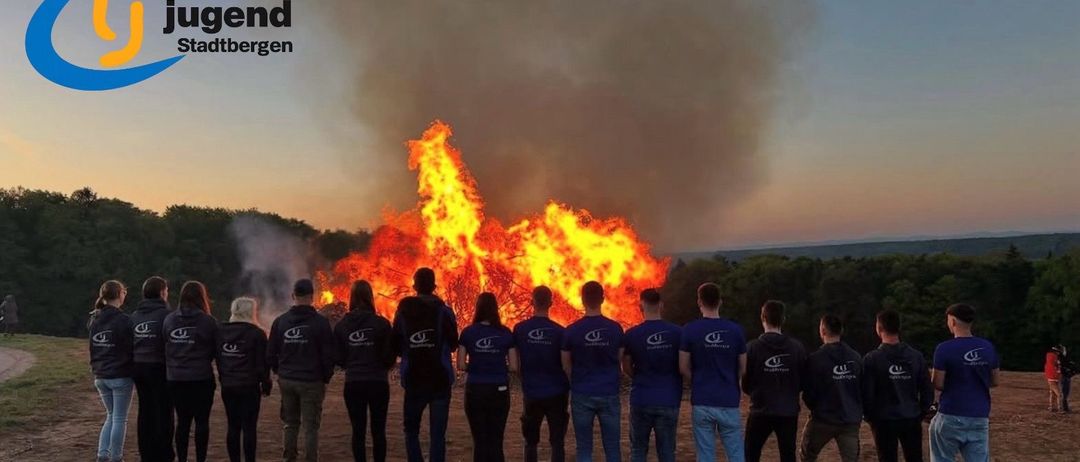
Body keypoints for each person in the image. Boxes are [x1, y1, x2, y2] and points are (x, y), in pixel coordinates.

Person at [392, 267, 459, 462]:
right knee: (438, 434)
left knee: (411, 431)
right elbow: (454, 344)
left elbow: (396, 345)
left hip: (414, 379)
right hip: (440, 380)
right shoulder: (444, 312)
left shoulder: (403, 312)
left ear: (415, 286)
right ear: (434, 287)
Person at [268, 278, 336, 462]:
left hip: (288, 380)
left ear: (293, 296)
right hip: (312, 381)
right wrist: (325, 377)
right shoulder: (321, 323)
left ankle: (289, 458)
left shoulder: (280, 322)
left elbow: (271, 352)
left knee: (290, 423)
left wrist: (280, 372)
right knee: (311, 427)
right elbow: (328, 355)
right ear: (312, 297)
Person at [679, 282, 746, 462]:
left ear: (699, 302)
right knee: (736, 453)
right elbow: (743, 367)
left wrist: (697, 381)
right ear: (720, 302)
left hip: (702, 400)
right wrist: (730, 380)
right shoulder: (736, 330)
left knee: (705, 455)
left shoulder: (689, 330)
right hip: (729, 400)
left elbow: (683, 367)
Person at [562, 281, 625, 462]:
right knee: (613, 446)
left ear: (582, 300)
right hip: (609, 392)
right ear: (603, 299)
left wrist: (576, 380)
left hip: (582, 393)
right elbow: (619, 358)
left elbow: (566, 365)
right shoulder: (615, 329)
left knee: (584, 448)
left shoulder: (571, 331)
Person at [929, 303, 1000, 462]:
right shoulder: (987, 347)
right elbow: (995, 381)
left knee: (942, 457)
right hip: (979, 415)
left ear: (953, 321)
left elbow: (938, 383)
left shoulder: (944, 349)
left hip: (951, 413)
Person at [334, 280, 395, 462]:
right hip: (378, 382)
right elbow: (390, 356)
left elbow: (338, 358)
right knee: (379, 431)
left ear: (352, 298)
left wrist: (351, 364)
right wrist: (381, 366)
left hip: (353, 382)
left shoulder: (342, 325)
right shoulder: (382, 324)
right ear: (370, 297)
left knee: (358, 431)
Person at [863, 310, 933, 462]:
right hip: (911, 416)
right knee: (914, 458)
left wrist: (870, 417)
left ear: (878, 328)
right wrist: (921, 411)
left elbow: (867, 393)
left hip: (883, 420)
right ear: (898, 328)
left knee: (887, 458)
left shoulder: (872, 359)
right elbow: (927, 389)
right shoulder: (916, 356)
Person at [621, 288, 682, 462]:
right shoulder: (678, 333)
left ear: (641, 306)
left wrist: (639, 377)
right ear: (661, 305)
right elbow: (683, 363)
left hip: (641, 398)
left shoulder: (631, 334)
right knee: (667, 452)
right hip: (669, 399)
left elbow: (625, 366)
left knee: (638, 450)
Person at [742, 300, 807, 462]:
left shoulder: (752, 348)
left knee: (751, 454)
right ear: (783, 319)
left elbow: (745, 382)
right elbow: (803, 380)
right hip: (788, 411)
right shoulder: (796, 348)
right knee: (788, 455)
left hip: (760, 409)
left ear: (762, 317)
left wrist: (755, 393)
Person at [512, 286, 570, 462]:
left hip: (532, 392)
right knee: (557, 441)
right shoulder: (561, 332)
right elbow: (566, 364)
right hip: (557, 393)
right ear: (551, 303)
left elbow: (515, 362)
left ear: (531, 302)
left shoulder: (520, 329)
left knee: (530, 442)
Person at [458, 292, 517, 462]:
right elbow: (513, 367)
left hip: (475, 389)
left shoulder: (468, 333)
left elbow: (461, 365)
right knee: (496, 440)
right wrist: (496, 366)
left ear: (477, 309)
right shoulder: (505, 333)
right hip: (499, 389)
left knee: (480, 441)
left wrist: (477, 366)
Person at [163, 281, 219, 462]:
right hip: (201, 378)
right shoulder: (208, 322)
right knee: (202, 422)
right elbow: (215, 349)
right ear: (202, 298)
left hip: (176, 378)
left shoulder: (170, 319)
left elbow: (166, 344)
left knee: (183, 422)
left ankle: (182, 460)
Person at [801, 314, 863, 462]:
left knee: (807, 455)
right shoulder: (855, 357)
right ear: (841, 331)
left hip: (823, 419)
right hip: (849, 420)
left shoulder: (815, 359)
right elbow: (862, 388)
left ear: (822, 331)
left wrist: (816, 408)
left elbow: (808, 393)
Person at [216, 297, 271, 462]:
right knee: (249, 427)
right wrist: (266, 383)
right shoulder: (257, 334)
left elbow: (218, 357)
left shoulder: (220, 331)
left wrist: (223, 377)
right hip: (249, 386)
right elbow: (262, 363)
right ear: (251, 312)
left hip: (228, 385)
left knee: (233, 426)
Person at [88, 280, 135, 462]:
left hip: (100, 375)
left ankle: (102, 454)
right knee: (120, 419)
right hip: (120, 375)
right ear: (120, 294)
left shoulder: (94, 317)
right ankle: (116, 457)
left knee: (111, 415)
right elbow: (130, 347)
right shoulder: (124, 320)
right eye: (124, 292)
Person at [130, 276, 175, 462]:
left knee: (145, 410)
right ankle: (164, 453)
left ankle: (146, 453)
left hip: (138, 367)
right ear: (163, 292)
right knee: (164, 411)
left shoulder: (134, 316)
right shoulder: (167, 316)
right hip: (160, 367)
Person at [1045, 346, 1062, 413]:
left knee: (1053, 393)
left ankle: (1052, 407)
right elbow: (1056, 367)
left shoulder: (1050, 357)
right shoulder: (1053, 358)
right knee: (1059, 394)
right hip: (1053, 377)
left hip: (1051, 377)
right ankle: (1059, 408)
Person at [1060, 345, 1075, 413]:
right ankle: (1064, 408)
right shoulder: (1063, 359)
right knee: (1065, 393)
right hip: (1065, 377)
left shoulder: (1062, 359)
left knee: (1065, 393)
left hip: (1065, 376)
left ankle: (1064, 407)